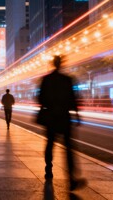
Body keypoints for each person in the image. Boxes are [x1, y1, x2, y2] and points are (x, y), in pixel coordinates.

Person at [38, 55, 85, 191]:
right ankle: (71, 178)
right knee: (68, 148)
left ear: (53, 64)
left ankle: (48, 168)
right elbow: (73, 98)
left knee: (50, 143)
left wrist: (49, 104)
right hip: (64, 116)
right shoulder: (67, 80)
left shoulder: (46, 79)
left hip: (51, 116)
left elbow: (40, 98)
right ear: (61, 64)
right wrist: (77, 115)